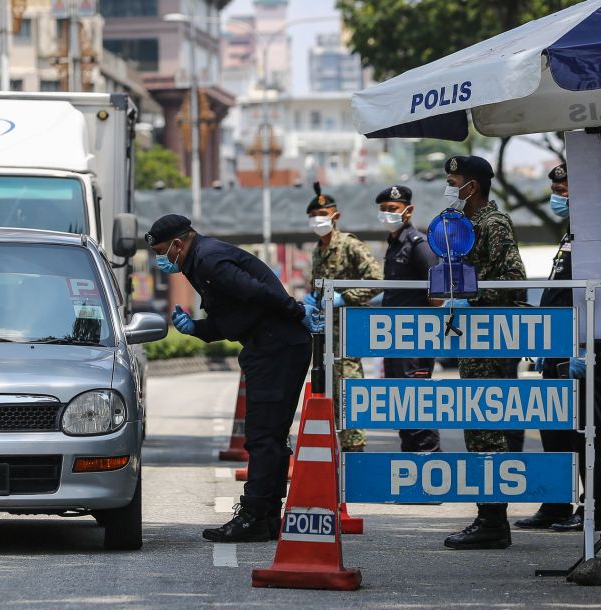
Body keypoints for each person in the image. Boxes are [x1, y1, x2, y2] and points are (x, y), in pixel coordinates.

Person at [145, 214, 321, 542]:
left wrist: (296, 311)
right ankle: (267, 517)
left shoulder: (208, 261)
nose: (159, 260)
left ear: (178, 244)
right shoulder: (200, 262)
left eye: (161, 251)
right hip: (272, 345)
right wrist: (196, 328)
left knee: (263, 436)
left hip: (277, 346)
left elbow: (255, 292)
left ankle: (255, 516)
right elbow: (232, 318)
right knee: (268, 435)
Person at [439, 156, 527, 550]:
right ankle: (487, 516)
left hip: (494, 342)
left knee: (489, 430)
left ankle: (494, 520)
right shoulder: (463, 228)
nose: (449, 188)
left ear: (471, 186)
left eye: (453, 181)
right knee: (477, 430)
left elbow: (513, 282)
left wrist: (473, 297)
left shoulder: (493, 224)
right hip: (475, 345)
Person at [516, 163, 601, 532]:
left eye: (566, 190)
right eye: (556, 189)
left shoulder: (597, 237)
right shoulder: (570, 235)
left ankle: (595, 508)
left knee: (587, 433)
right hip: (557, 349)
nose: (559, 196)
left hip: (582, 351)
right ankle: (555, 503)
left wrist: (585, 350)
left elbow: (600, 297)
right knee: (554, 431)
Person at [307, 182, 383, 453]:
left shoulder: (349, 245)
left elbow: (377, 280)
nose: (318, 221)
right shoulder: (317, 250)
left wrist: (345, 297)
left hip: (348, 335)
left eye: (322, 215)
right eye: (314, 216)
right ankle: (333, 457)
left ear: (335, 217)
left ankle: (355, 453)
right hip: (325, 337)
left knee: (349, 394)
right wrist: (311, 303)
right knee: (329, 396)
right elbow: (315, 287)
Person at [377, 185, 442, 452]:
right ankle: (411, 480)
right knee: (402, 408)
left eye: (392, 209)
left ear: (408, 210)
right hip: (394, 341)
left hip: (414, 340)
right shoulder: (394, 246)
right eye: (383, 210)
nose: (387, 214)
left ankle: (428, 477)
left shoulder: (419, 245)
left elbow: (437, 296)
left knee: (418, 409)